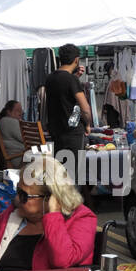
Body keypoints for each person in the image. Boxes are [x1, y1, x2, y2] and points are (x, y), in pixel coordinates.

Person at [44, 43, 92, 178]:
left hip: (57, 132)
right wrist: (88, 124)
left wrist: (74, 77)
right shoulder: (71, 80)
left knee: (60, 173)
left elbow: (62, 97)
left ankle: (60, 198)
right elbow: (85, 108)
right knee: (74, 175)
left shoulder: (50, 78)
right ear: (76, 60)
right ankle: (72, 199)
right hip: (73, 133)